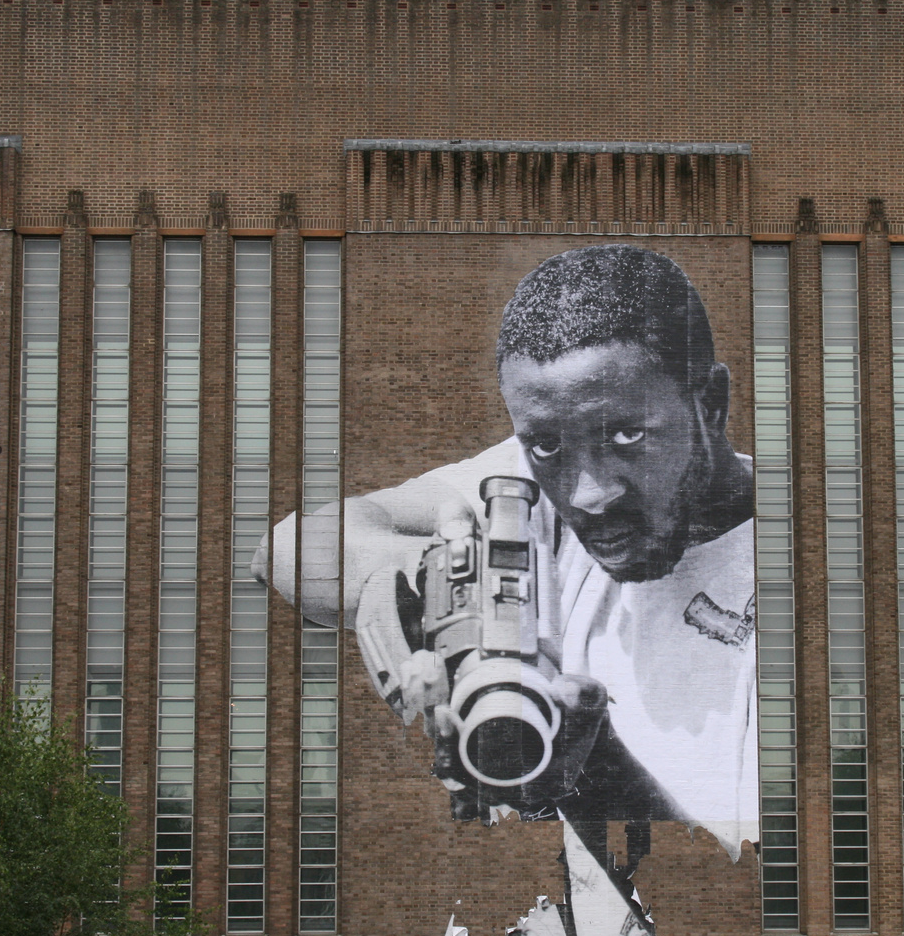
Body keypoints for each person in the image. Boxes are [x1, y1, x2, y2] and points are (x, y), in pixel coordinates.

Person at [256, 244, 759, 857]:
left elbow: (757, 913)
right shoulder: (542, 472)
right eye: (545, 447)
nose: (589, 494)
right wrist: (421, 581)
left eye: (628, 437)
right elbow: (285, 547)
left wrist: (590, 777)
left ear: (709, 405)